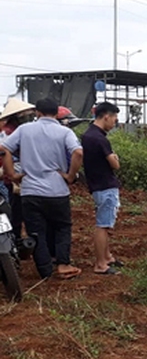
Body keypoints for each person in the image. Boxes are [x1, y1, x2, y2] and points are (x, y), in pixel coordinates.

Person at [0, 98, 83, 279]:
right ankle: (62, 265)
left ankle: (45, 270)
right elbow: (78, 152)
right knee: (62, 227)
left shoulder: (24, 130)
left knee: (36, 231)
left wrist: (12, 175)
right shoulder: (64, 132)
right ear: (56, 113)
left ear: (37, 113)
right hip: (57, 190)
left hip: (30, 190)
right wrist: (69, 175)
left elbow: (3, 149)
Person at [81, 101, 125, 275]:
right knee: (103, 225)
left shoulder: (89, 135)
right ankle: (101, 264)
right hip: (105, 185)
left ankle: (107, 257)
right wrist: (115, 158)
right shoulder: (99, 138)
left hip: (97, 185)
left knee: (105, 224)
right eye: (114, 118)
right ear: (106, 116)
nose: (115, 122)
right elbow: (114, 164)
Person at [0, 98, 36, 239]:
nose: (27, 117)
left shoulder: (16, 130)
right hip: (14, 175)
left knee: (17, 210)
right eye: (23, 115)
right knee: (15, 210)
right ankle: (15, 239)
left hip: (16, 174)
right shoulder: (9, 133)